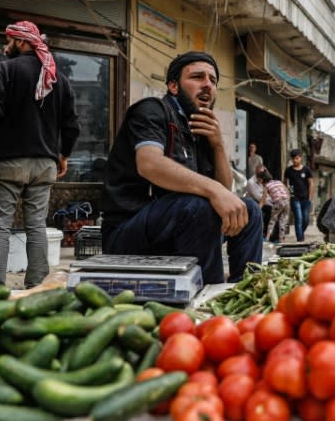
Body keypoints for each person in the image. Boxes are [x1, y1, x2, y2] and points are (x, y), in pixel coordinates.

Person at [100, 51, 263, 284]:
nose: (207, 85)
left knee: (249, 210)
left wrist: (218, 145)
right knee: (200, 206)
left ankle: (246, 290)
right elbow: (149, 164)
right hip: (127, 234)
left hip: (179, 230)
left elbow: (224, 190)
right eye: (197, 77)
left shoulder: (201, 127)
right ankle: (209, 295)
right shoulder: (152, 110)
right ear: (174, 86)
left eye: (213, 80)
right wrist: (212, 190)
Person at [0, 21, 80, 290]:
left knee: (0, 227)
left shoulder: (5, 70)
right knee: (36, 226)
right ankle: (37, 286)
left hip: (7, 162)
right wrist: (64, 155)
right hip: (44, 164)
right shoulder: (58, 78)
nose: (5, 47)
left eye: (9, 41)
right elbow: (72, 125)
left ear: (23, 42)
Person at [284, 149, 314, 242]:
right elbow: (284, 183)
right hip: (294, 198)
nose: (295, 160)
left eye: (297, 158)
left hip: (306, 198)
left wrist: (310, 198)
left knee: (306, 220)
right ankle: (300, 240)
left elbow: (311, 184)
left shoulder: (306, 170)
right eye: (293, 159)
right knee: (299, 219)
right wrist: (288, 192)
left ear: (300, 158)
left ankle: (300, 233)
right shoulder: (288, 170)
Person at [257, 169, 290, 244]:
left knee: (272, 220)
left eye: (259, 180)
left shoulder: (267, 186)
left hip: (278, 202)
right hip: (286, 201)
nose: (259, 182)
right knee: (283, 220)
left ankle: (267, 238)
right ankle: (282, 240)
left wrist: (258, 209)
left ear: (262, 179)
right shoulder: (278, 182)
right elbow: (287, 191)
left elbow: (263, 199)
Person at [245, 163, 275, 241]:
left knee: (272, 211)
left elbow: (268, 194)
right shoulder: (251, 182)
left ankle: (269, 234)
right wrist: (272, 203)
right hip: (254, 202)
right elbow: (259, 198)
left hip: (265, 201)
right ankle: (259, 235)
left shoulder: (265, 179)